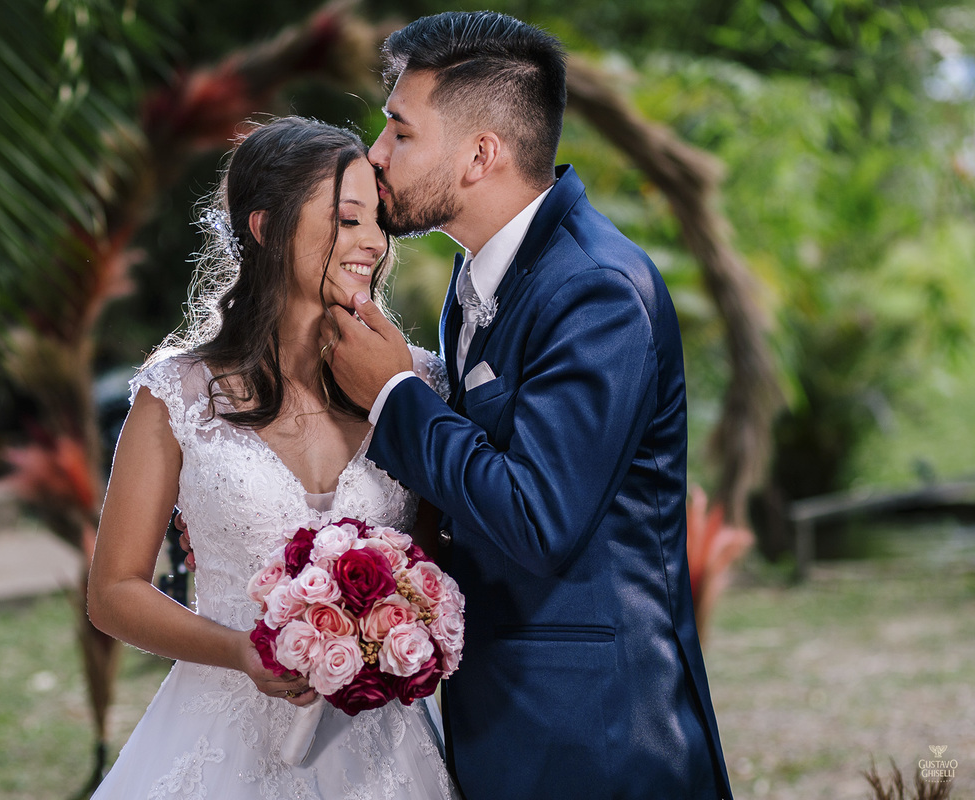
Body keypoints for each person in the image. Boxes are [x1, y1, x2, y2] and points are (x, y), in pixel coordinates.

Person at [322, 12, 734, 800]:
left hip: (596, 732)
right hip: (506, 718)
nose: (374, 156)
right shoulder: (480, 276)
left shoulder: (597, 291)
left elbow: (537, 516)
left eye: (400, 134)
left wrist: (393, 393)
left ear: (482, 154)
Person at [86, 116, 458, 799]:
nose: (372, 244)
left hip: (383, 749)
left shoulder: (420, 384)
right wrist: (241, 649)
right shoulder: (175, 393)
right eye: (347, 220)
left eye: (380, 221)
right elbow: (113, 593)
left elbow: (435, 564)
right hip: (219, 739)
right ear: (266, 228)